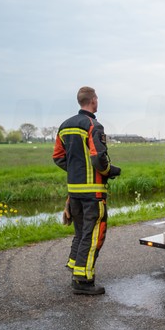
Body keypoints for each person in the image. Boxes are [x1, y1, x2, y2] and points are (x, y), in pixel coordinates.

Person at [52, 86, 121, 295]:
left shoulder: (65, 126)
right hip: (93, 193)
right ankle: (83, 281)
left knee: (81, 232)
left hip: (74, 192)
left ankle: (75, 266)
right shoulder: (93, 125)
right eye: (97, 99)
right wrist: (110, 171)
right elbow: (98, 158)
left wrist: (75, 170)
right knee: (93, 235)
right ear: (93, 101)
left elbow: (57, 157)